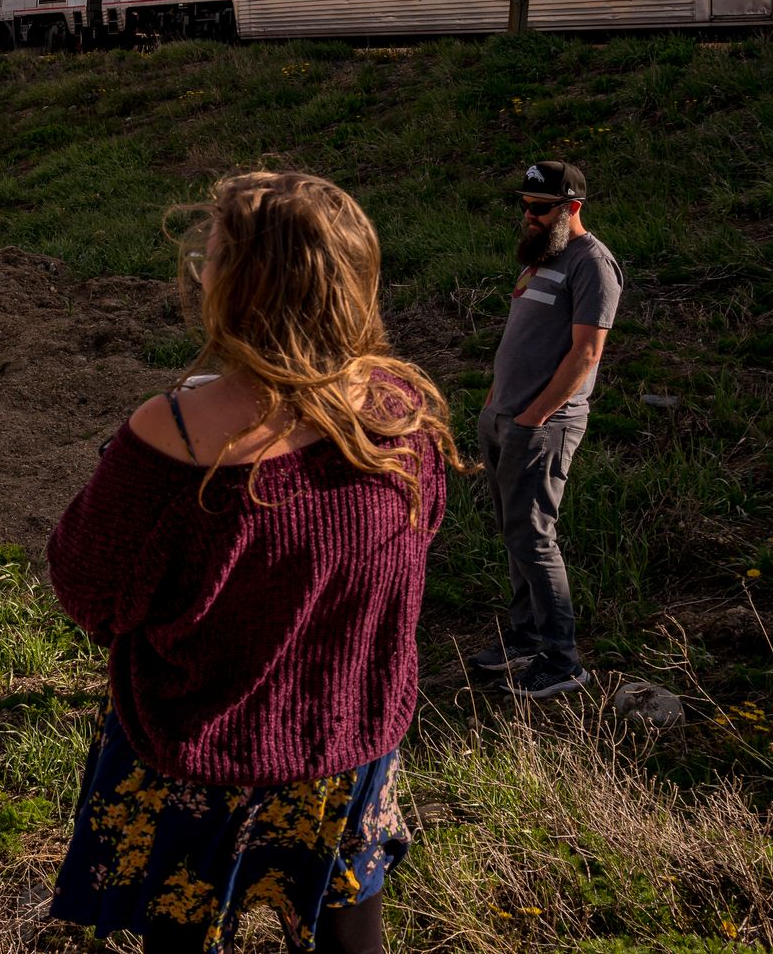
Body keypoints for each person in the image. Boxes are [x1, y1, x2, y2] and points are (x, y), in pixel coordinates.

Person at [48, 170, 459, 954]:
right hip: (350, 739)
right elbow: (420, 534)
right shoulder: (406, 413)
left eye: (212, 256)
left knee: (182, 937)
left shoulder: (171, 434)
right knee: (352, 940)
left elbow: (87, 585)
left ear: (234, 287)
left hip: (196, 751)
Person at [470, 161, 623, 699]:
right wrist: (494, 404)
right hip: (504, 416)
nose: (529, 216)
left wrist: (533, 417)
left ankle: (562, 660)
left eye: (540, 208)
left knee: (534, 538)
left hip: (543, 424)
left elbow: (587, 352)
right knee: (515, 535)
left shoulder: (593, 264)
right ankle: (525, 637)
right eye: (525, 205)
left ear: (572, 208)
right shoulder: (542, 257)